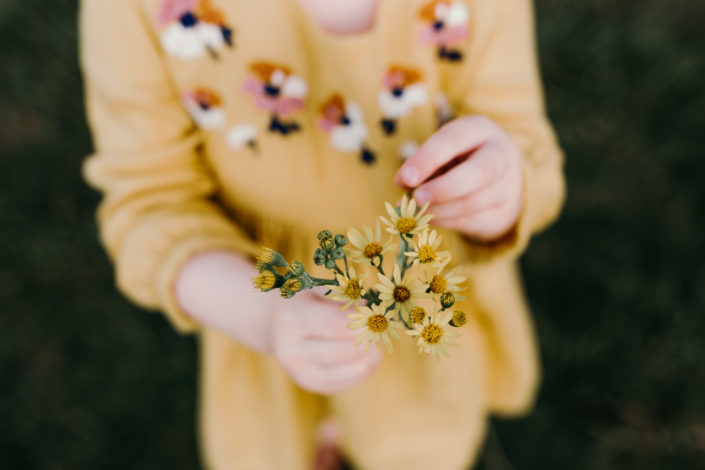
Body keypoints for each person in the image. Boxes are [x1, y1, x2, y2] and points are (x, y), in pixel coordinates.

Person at [79, 0, 565, 468]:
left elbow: (519, 136)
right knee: (271, 455)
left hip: (416, 300)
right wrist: (262, 315)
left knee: (419, 449)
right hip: (259, 302)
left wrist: (500, 186)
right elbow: (151, 202)